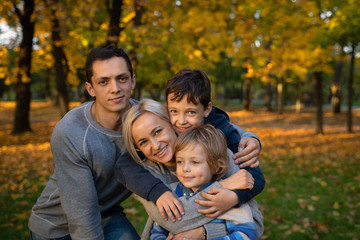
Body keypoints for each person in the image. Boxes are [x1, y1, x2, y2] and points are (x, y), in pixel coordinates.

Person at [28, 46, 182, 240]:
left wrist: (233, 141)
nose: (115, 88)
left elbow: (194, 118)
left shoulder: (145, 121)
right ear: (90, 88)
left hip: (107, 211)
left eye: (122, 78)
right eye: (103, 82)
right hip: (57, 225)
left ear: (132, 81)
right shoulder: (71, 132)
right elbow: (82, 217)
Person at [117, 99, 264, 239]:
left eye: (157, 132)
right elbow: (173, 222)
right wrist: (221, 186)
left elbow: (255, 224)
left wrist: (206, 233)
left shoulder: (214, 151)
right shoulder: (145, 177)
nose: (155, 145)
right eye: (143, 142)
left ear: (171, 123)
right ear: (138, 148)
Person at [165, 68, 264, 209]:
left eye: (191, 112)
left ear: (207, 109)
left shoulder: (222, 133)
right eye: (174, 111)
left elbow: (257, 178)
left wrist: (233, 197)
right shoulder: (167, 128)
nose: (181, 121)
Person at [150, 124, 257, 240]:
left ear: (215, 166)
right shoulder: (172, 195)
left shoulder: (228, 196)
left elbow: (246, 235)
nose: (185, 168)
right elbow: (158, 230)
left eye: (195, 162)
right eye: (180, 162)